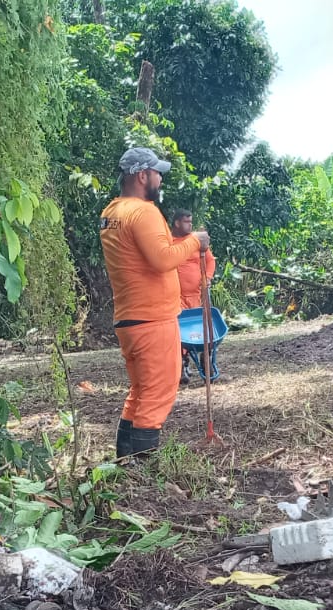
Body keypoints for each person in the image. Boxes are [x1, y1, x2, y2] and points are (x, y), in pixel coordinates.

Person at [99, 148, 210, 457]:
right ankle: (147, 473)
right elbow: (162, 259)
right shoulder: (143, 212)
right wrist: (194, 241)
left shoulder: (111, 213)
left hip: (129, 319)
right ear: (142, 175)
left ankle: (126, 465)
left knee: (140, 392)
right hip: (152, 319)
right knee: (158, 393)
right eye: (158, 173)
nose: (161, 179)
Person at [169, 210, 216, 382]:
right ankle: (182, 365)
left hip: (197, 295)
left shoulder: (196, 241)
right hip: (176, 297)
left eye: (191, 221)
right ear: (176, 223)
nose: (190, 225)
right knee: (179, 332)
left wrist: (207, 278)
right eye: (186, 222)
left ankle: (206, 360)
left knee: (202, 328)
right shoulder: (169, 242)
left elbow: (210, 261)